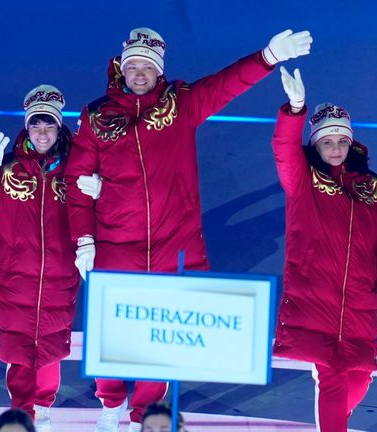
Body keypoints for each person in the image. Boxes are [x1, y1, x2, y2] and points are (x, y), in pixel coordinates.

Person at [64, 27, 312, 432]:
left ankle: (143, 415)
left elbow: (225, 84)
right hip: (115, 243)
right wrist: (84, 240)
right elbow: (77, 181)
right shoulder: (96, 116)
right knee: (112, 333)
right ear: (121, 69)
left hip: (172, 244)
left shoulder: (179, 104)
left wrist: (267, 56)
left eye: (147, 66)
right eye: (134, 66)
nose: (140, 73)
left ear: (158, 70)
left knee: (158, 339)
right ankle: (110, 407)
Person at [0, 85, 99, 432]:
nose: (42, 133)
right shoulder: (8, 169)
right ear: (26, 127)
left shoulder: (77, 167)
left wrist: (102, 190)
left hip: (60, 273)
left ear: (58, 126)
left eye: (49, 125)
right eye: (36, 126)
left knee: (50, 347)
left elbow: (102, 210)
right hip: (15, 276)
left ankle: (44, 407)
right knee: (20, 349)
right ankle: (22, 412)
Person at [271, 66, 377, 432]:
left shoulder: (372, 186)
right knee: (334, 376)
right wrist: (295, 109)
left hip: (359, 298)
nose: (336, 149)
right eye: (327, 142)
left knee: (359, 378)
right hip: (316, 296)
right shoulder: (302, 180)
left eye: (342, 141)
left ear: (351, 141)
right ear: (315, 144)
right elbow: (283, 149)